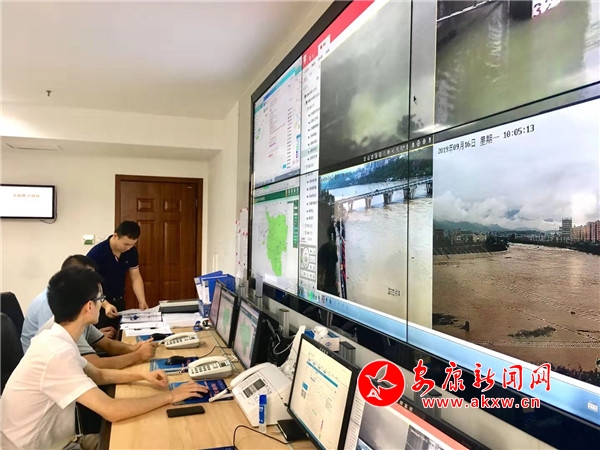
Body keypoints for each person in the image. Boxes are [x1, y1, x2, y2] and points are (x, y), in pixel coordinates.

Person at [1, 266, 207, 450]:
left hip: (58, 442)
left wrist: (143, 376)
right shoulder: (56, 353)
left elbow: (98, 374)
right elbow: (111, 410)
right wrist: (170, 396)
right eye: (101, 299)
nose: (102, 304)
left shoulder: (54, 335)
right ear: (89, 307)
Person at [21, 254, 157, 369]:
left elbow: (106, 346)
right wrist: (138, 355)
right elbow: (95, 366)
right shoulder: (56, 307)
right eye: (88, 277)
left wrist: (136, 348)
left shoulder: (75, 303)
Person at [87, 220, 149, 330]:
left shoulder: (131, 251)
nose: (128, 248)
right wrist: (105, 304)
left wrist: (142, 301)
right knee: (103, 336)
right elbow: (90, 285)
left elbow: (135, 277)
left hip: (119, 301)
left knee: (119, 333)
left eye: (132, 244)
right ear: (115, 236)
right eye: (126, 244)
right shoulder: (96, 254)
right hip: (100, 304)